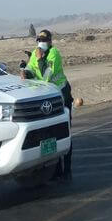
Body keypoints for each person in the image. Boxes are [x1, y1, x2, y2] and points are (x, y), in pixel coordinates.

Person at [21, 30, 73, 178]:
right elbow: (31, 71)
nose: (41, 43)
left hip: (60, 95)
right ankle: (55, 170)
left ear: (50, 41)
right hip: (45, 98)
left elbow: (46, 76)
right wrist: (25, 71)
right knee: (50, 134)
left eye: (44, 40)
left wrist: (39, 59)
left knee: (64, 131)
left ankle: (67, 170)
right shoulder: (35, 53)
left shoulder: (53, 54)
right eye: (39, 39)